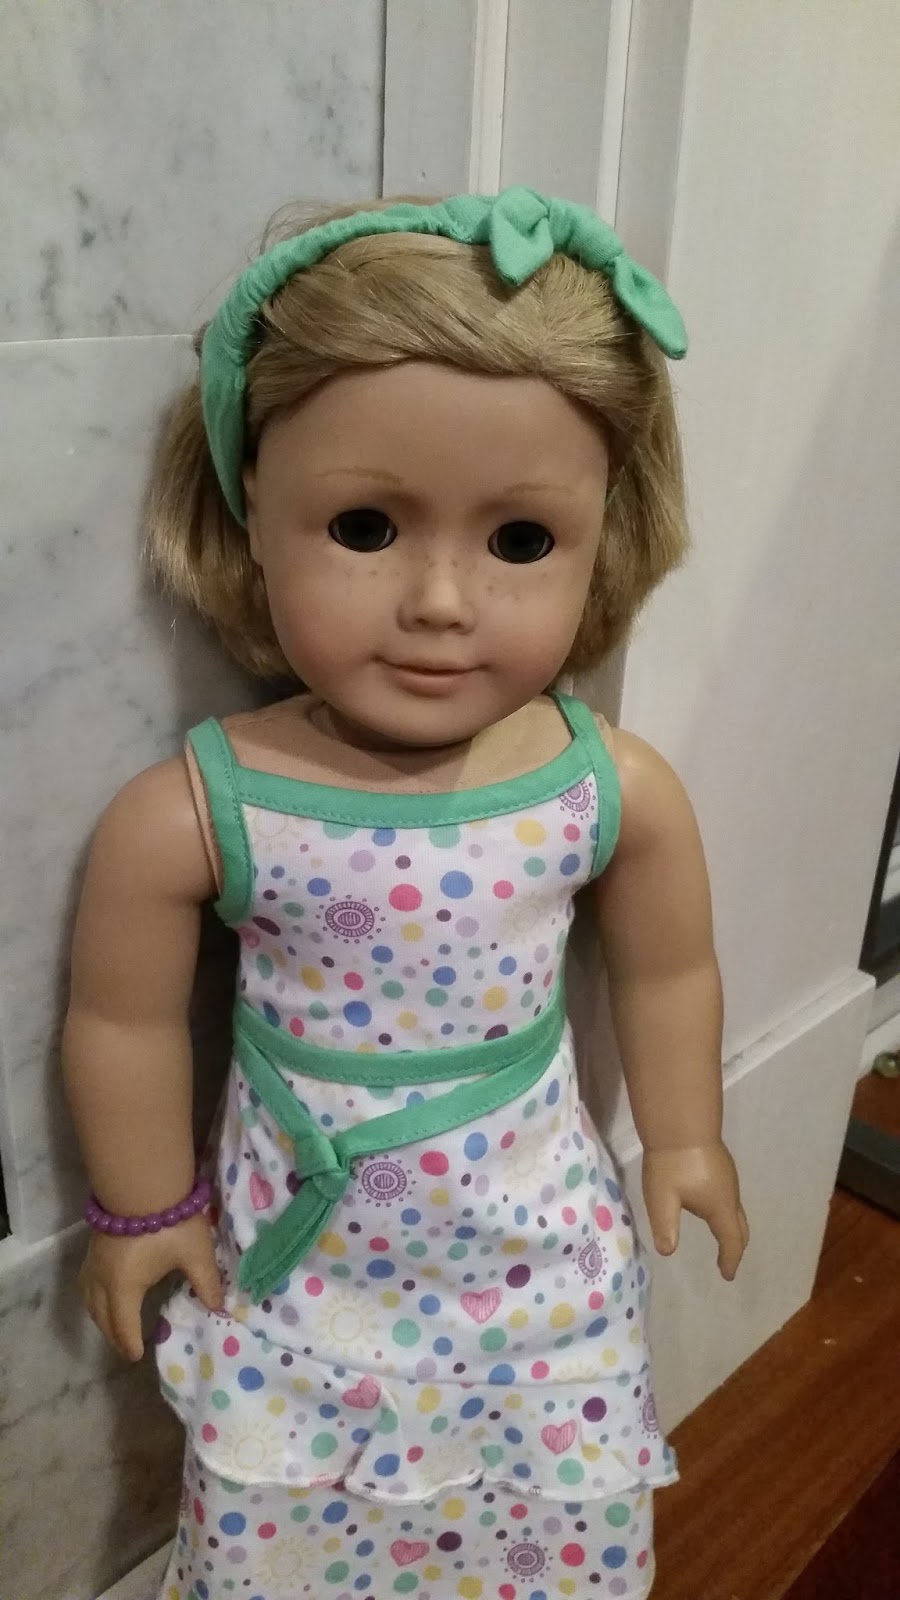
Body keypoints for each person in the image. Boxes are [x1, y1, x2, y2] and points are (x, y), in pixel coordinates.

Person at [63, 188, 748, 1600]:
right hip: (310, 1273)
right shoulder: (201, 808)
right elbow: (122, 1023)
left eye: (520, 542)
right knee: (292, 1531)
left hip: (535, 1262)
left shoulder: (602, 786)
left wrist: (685, 1137)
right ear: (254, 517)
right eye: (366, 526)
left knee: (536, 1528)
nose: (441, 601)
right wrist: (144, 1208)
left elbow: (669, 971)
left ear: (602, 537)